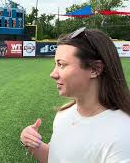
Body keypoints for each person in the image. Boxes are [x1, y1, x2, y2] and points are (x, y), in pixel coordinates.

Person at [20, 27, 130, 163]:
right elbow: (56, 157)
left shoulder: (122, 134)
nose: (53, 74)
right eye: (56, 64)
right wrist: (32, 143)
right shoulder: (64, 113)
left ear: (95, 69)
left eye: (61, 64)